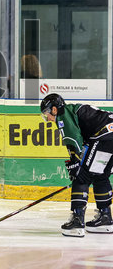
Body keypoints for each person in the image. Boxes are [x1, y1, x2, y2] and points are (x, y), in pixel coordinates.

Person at [40, 93, 113, 236]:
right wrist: (77, 160)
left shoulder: (63, 114)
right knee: (100, 176)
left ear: (54, 109)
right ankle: (105, 217)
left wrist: (75, 163)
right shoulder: (75, 111)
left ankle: (77, 220)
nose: (48, 118)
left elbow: (73, 138)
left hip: (103, 136)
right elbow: (84, 140)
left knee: (81, 176)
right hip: (108, 136)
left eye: (47, 113)